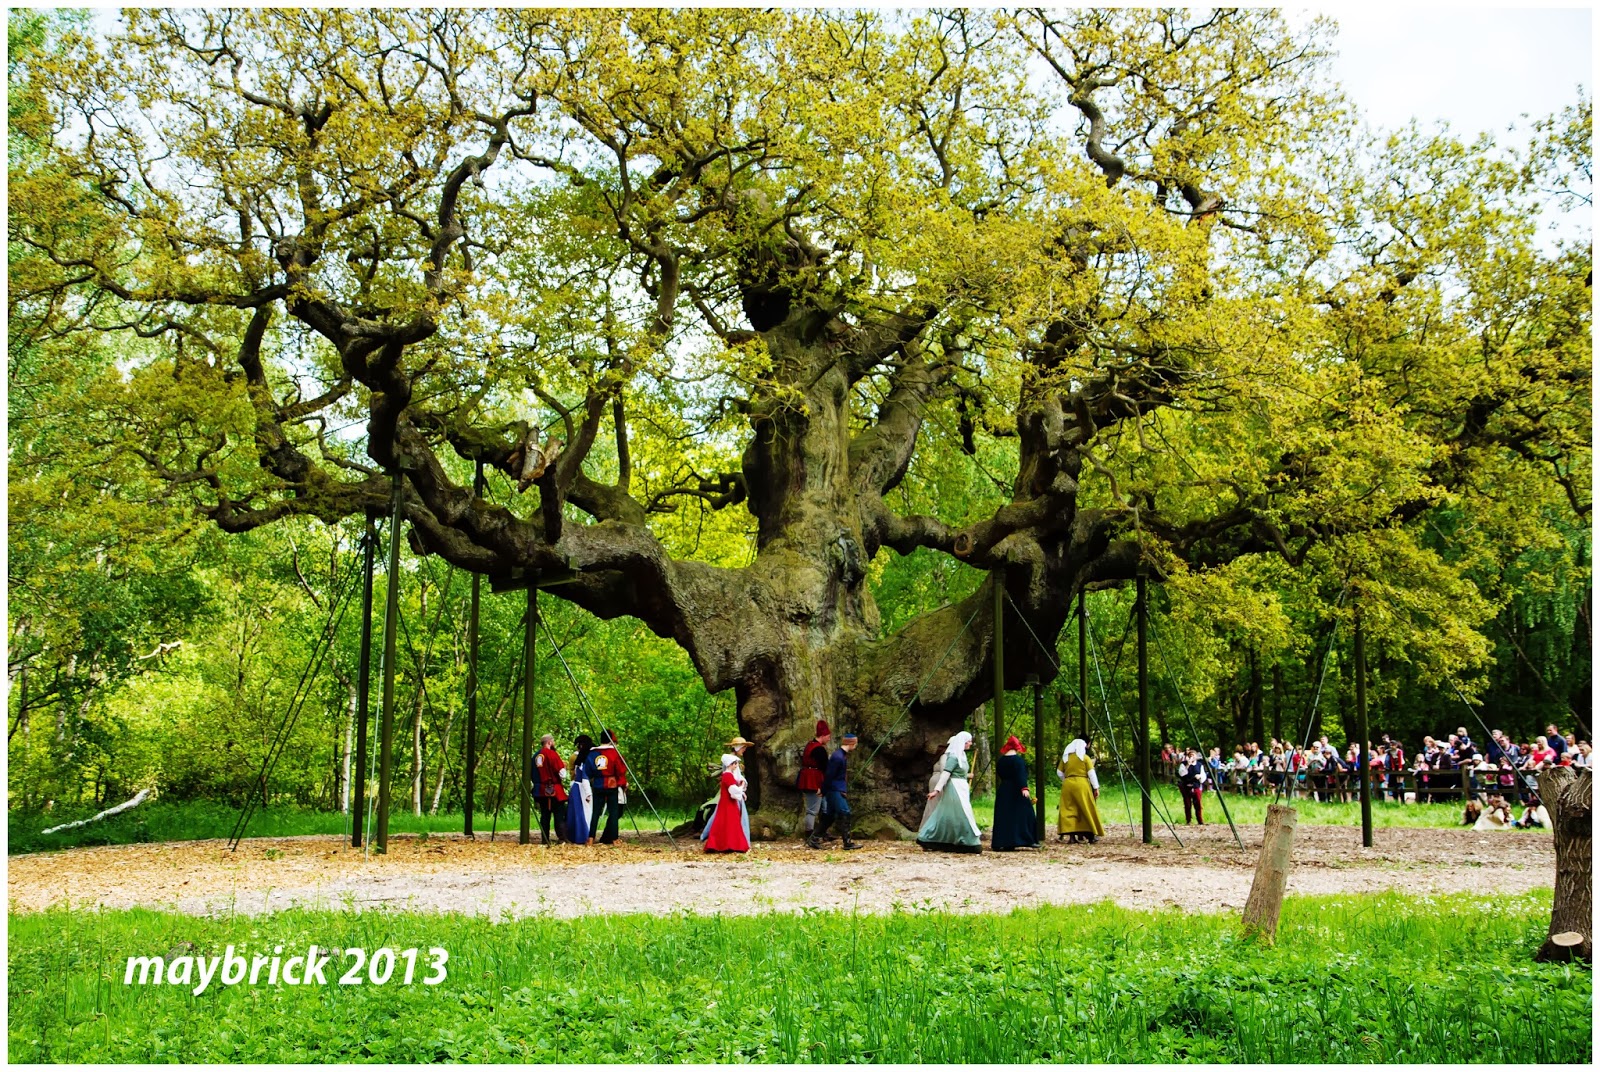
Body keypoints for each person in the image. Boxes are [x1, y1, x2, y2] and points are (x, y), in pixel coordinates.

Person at [917, 731, 981, 853]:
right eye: (968, 741)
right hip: (954, 788)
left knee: (950, 814)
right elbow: (946, 774)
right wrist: (937, 790)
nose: (970, 744)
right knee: (963, 812)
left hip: (961, 788)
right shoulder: (953, 756)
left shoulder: (962, 756)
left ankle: (955, 840)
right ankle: (969, 841)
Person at [814, 731, 863, 850]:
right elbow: (829, 775)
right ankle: (847, 842)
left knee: (830, 816)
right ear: (851, 743)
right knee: (845, 812)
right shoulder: (838, 757)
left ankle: (814, 838)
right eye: (855, 744)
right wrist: (824, 790)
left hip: (836, 789)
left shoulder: (841, 755)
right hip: (834, 790)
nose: (856, 746)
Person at [701, 736, 754, 845]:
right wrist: (740, 789)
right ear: (738, 747)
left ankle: (732, 840)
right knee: (726, 817)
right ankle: (737, 841)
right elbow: (731, 778)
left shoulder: (734, 761)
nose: (744, 750)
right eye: (743, 747)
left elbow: (738, 776)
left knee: (722, 817)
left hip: (734, 791)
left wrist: (742, 782)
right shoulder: (730, 761)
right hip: (731, 793)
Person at [990, 735, 1038, 851]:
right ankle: (1027, 839)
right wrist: (1024, 788)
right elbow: (1020, 775)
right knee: (1026, 813)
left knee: (1005, 815)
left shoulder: (1001, 761)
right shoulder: (1018, 761)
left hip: (1004, 789)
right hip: (1016, 789)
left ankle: (1004, 841)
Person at [1056, 737, 1104, 844]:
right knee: (1085, 808)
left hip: (1067, 785)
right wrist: (1096, 787)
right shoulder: (1085, 758)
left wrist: (1066, 779)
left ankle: (1072, 837)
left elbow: (1059, 772)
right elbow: (1091, 774)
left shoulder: (1065, 758)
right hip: (1082, 784)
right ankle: (1091, 835)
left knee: (1069, 809)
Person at [589, 728, 630, 845]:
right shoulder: (614, 753)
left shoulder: (592, 753)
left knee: (595, 812)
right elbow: (620, 770)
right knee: (614, 811)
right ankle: (614, 838)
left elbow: (588, 770)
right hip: (611, 785)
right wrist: (622, 784)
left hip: (597, 785)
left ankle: (591, 838)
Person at [532, 733, 570, 844]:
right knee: (559, 814)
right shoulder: (552, 754)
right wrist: (564, 768)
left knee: (545, 814)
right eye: (553, 741)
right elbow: (562, 774)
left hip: (540, 790)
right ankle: (562, 838)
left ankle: (545, 839)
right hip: (554, 790)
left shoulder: (535, 756)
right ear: (549, 742)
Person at [799, 720, 831, 846]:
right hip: (814, 781)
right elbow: (825, 767)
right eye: (828, 736)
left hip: (812, 778)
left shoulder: (809, 745)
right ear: (822, 735)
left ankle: (822, 833)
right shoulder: (818, 750)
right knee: (813, 810)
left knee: (825, 808)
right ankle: (810, 837)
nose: (829, 739)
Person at [566, 733, 595, 845]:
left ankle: (575, 836)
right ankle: (583, 836)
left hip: (576, 787)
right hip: (582, 788)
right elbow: (585, 778)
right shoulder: (585, 760)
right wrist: (588, 793)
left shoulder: (578, 759)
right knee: (585, 814)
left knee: (576, 814)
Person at [1177, 747, 1207, 824]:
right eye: (1190, 755)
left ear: (1196, 756)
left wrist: (1199, 776)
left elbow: (1203, 775)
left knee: (1198, 804)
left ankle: (1200, 820)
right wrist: (1188, 764)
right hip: (1186, 786)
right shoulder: (1184, 764)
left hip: (1196, 785)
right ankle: (1188, 820)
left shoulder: (1200, 765)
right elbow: (1182, 773)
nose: (1191, 757)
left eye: (1193, 755)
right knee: (1187, 804)